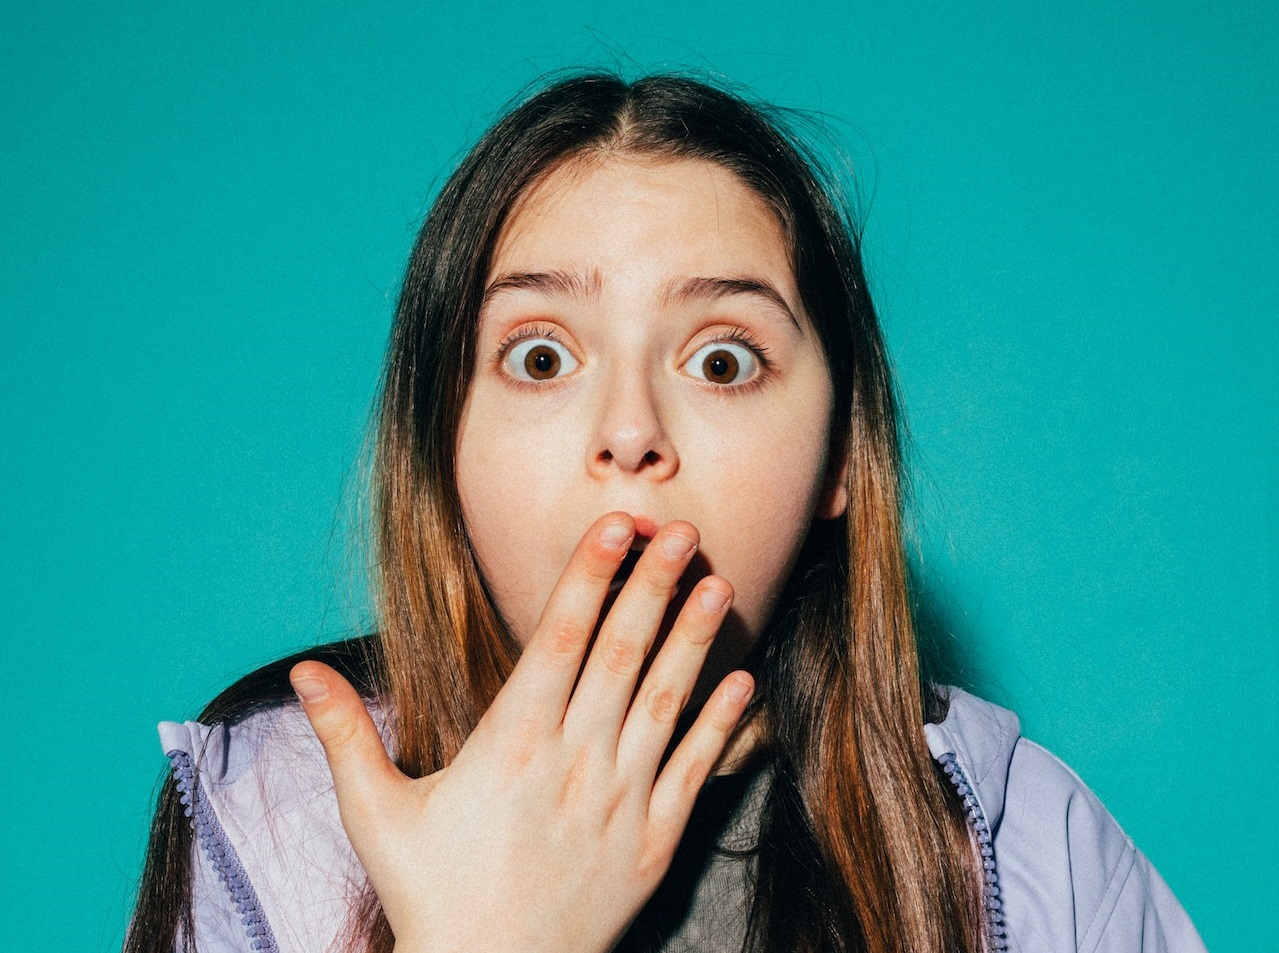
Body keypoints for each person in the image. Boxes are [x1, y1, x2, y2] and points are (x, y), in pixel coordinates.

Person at [125, 72, 1206, 953]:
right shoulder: (272, 810)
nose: (631, 429)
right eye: (540, 356)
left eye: (722, 359)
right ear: (440, 450)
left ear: (838, 459)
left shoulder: (1031, 839)